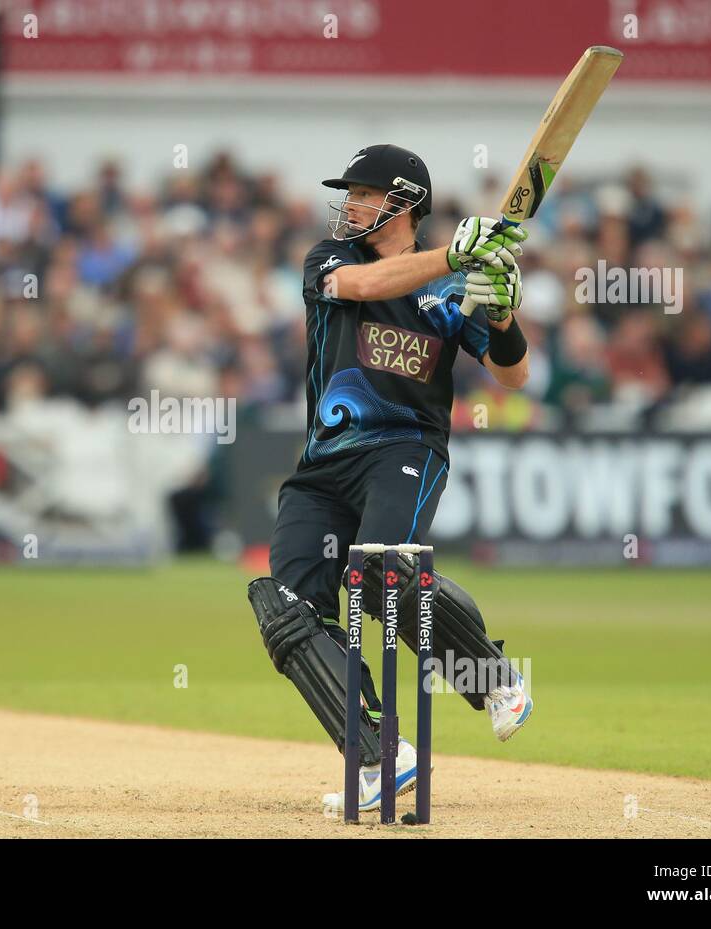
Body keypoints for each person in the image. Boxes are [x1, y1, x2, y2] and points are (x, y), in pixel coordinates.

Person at [245, 145, 533, 814]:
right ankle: (381, 752)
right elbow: (368, 288)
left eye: (362, 193)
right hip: (323, 470)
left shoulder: (454, 287)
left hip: (406, 449)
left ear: (403, 202)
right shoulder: (330, 260)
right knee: (282, 602)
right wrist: (458, 256)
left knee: (380, 573)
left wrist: (501, 312)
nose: (349, 204)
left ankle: (493, 679)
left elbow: (513, 374)